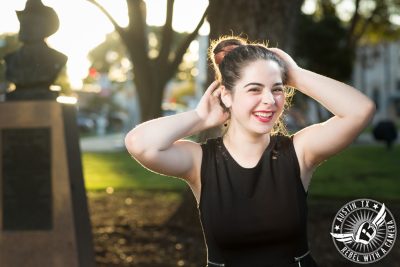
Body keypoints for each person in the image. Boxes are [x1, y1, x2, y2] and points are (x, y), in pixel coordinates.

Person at [125, 36, 375, 267]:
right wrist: (200, 117)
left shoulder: (299, 152)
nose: (269, 100)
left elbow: (360, 110)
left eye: (277, 89)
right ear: (227, 95)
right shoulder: (200, 162)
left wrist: (295, 75)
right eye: (255, 89)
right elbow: (139, 143)